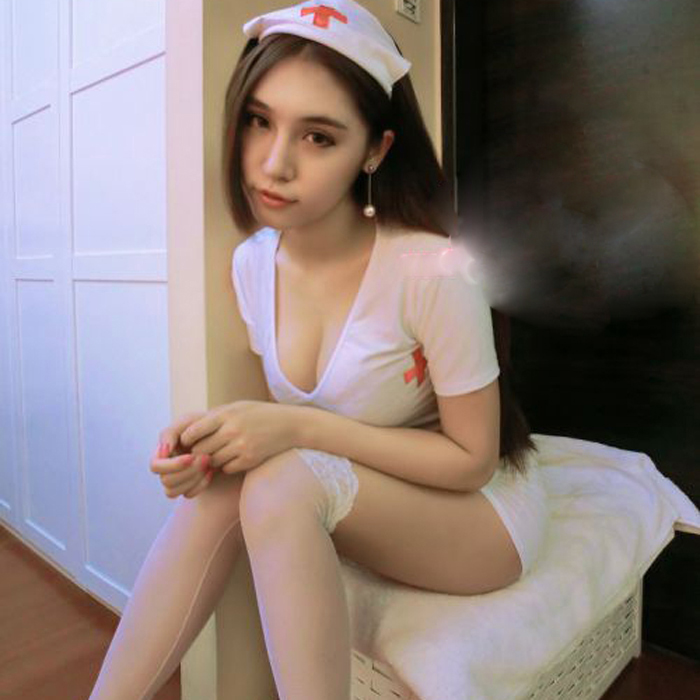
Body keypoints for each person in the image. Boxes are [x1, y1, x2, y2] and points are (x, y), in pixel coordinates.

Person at [87, 2, 548, 699]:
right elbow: (306, 438)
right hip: (377, 493)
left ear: (375, 151)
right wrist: (214, 445)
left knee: (282, 480)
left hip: (479, 515)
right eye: (258, 121)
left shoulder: (432, 268)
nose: (274, 164)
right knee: (231, 483)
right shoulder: (251, 264)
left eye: (318, 137)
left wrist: (293, 426)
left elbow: (470, 459)